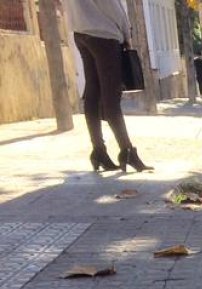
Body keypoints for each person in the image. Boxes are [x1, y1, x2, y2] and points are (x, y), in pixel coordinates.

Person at [64, 0, 151, 172]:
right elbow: (112, 6)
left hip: (80, 31)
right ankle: (127, 152)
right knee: (111, 97)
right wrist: (127, 33)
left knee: (93, 93)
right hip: (104, 34)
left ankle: (99, 151)